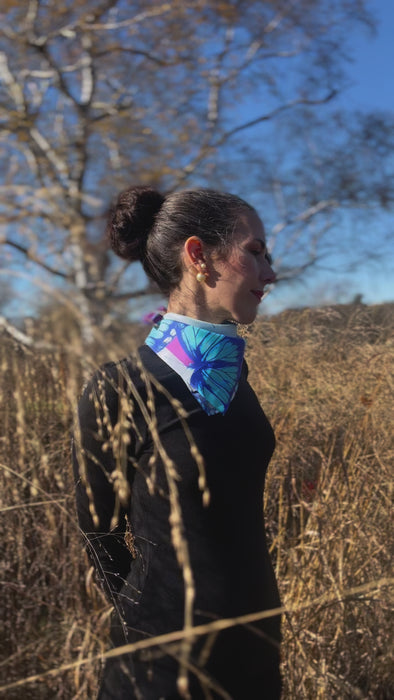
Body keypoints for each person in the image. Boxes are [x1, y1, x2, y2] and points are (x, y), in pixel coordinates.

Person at [73, 186, 281, 699]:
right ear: (198, 257)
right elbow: (100, 535)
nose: (271, 273)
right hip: (164, 672)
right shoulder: (119, 389)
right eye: (255, 252)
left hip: (256, 657)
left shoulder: (235, 379)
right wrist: (151, 629)